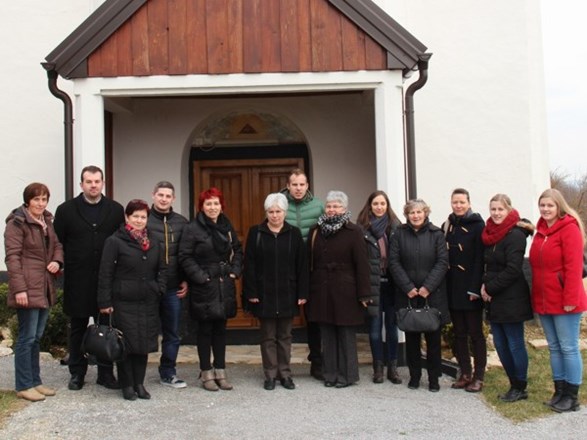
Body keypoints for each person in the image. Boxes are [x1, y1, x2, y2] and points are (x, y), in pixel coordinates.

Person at [54, 165, 124, 391]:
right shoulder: (65, 210)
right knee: (77, 328)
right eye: (89, 181)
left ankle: (105, 373)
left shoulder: (115, 209)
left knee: (106, 327)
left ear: (103, 183)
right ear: (81, 184)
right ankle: (77, 373)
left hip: (106, 281)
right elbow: (58, 242)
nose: (93, 185)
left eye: (97, 181)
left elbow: (121, 242)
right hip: (78, 280)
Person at [97, 199, 166, 401]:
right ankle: (127, 385)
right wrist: (104, 302)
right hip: (123, 300)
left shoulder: (153, 240)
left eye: (143, 216)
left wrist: (159, 288)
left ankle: (139, 384)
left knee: (143, 344)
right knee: (126, 345)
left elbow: (162, 269)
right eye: (135, 216)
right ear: (127, 217)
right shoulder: (115, 241)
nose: (139, 220)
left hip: (148, 300)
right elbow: (105, 273)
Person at [243, 193, 309, 390]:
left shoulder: (294, 233)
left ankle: (285, 374)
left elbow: (302, 265)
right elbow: (250, 265)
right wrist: (251, 292)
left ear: (285, 212)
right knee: (268, 336)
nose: (275, 215)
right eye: (271, 212)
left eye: (278, 211)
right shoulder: (256, 232)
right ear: (266, 212)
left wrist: (302, 293)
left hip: (288, 292)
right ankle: (270, 374)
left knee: (285, 336)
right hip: (265, 293)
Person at [4, 183, 63, 402]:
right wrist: (19, 289)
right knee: (26, 338)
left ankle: (35, 382)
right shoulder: (17, 223)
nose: (40, 203)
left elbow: (57, 245)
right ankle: (23, 385)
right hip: (27, 287)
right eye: (36, 199)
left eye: (44, 199)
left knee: (36, 338)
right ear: (27, 200)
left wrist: (57, 261)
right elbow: (12, 257)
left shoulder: (47, 221)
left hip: (44, 286)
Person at [179, 187, 243, 391]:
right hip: (204, 284)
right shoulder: (193, 228)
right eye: (208, 204)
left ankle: (221, 371)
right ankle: (206, 372)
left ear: (221, 205)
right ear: (202, 206)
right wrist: (201, 277)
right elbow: (185, 256)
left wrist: (235, 270)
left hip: (224, 283)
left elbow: (238, 250)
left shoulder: (226, 224)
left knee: (221, 330)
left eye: (216, 203)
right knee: (205, 330)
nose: (213, 207)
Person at [529, 188, 587, 413]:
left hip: (566, 300)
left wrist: (570, 298)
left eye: (550, 205)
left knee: (568, 347)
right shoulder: (541, 230)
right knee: (554, 347)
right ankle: (559, 390)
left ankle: (571, 396)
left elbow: (573, 268)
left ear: (559, 206)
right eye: (542, 205)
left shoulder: (569, 228)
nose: (545, 209)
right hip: (545, 299)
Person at [307, 190, 372, 388]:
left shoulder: (354, 231)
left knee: (345, 333)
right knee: (327, 332)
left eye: (336, 206)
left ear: (344, 209)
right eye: (329, 206)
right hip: (322, 288)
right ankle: (330, 374)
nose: (332, 210)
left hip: (346, 289)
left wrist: (364, 293)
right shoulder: (315, 230)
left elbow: (362, 264)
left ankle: (347, 375)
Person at [388, 199, 450, 392]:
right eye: (411, 212)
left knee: (433, 340)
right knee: (412, 339)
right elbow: (394, 262)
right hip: (408, 295)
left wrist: (427, 287)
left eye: (419, 212)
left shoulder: (437, 234)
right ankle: (415, 377)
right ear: (407, 215)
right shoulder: (399, 234)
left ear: (425, 213)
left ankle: (433, 379)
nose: (415, 216)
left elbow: (442, 262)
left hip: (432, 295)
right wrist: (408, 287)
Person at [480, 194, 534, 402]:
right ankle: (513, 383)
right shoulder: (490, 234)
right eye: (493, 209)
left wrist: (489, 288)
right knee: (500, 344)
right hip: (494, 298)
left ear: (509, 210)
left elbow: (512, 269)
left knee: (514, 343)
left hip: (511, 298)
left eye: (500, 209)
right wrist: (485, 287)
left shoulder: (515, 235)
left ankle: (520, 386)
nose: (496, 213)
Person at [281, 168, 324, 380]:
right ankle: (281, 366)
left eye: (302, 184)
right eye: (294, 184)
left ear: (307, 186)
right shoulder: (279, 205)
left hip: (313, 269)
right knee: (283, 318)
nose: (298, 188)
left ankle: (317, 361)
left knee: (314, 317)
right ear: (288, 186)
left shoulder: (318, 206)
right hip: (287, 269)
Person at [356, 190, 402, 384]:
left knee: (392, 327)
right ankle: (378, 368)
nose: (379, 207)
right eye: (375, 204)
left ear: (387, 205)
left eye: (382, 203)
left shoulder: (396, 227)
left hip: (392, 284)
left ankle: (393, 368)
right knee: (374, 329)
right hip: (373, 284)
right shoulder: (362, 229)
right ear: (370, 206)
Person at [443, 188, 487, 392]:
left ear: (469, 203)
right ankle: (465, 372)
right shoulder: (449, 224)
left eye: (461, 202)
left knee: (475, 333)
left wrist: (475, 288)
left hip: (471, 288)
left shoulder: (478, 225)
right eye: (455, 202)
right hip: (453, 287)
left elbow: (480, 259)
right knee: (459, 333)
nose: (458, 205)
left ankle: (479, 376)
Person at [148, 181, 189, 389]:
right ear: (153, 195)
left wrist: (185, 278)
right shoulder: (142, 220)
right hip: (148, 286)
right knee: (142, 330)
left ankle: (168, 372)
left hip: (173, 287)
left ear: (173, 199)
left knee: (172, 333)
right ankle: (134, 373)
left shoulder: (182, 223)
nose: (164, 199)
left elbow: (186, 254)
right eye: (160, 195)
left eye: (168, 196)